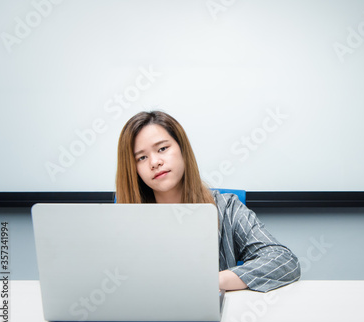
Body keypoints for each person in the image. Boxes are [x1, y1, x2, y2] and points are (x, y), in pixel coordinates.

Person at [115, 111, 300, 292]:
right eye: (141, 157)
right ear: (134, 170)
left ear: (182, 150)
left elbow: (283, 261)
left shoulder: (227, 208)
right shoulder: (121, 220)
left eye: (162, 148)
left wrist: (211, 281)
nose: (154, 162)